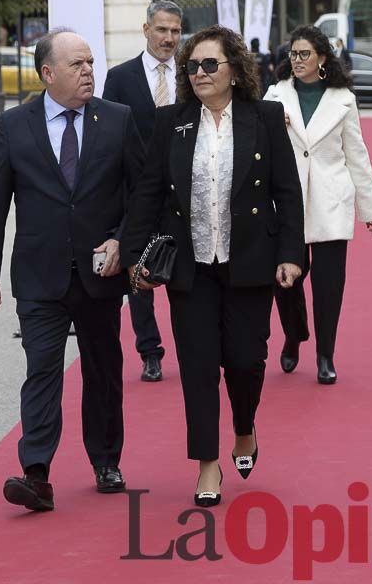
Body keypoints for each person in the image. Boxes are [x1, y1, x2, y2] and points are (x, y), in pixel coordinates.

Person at [123, 25, 304, 507]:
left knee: (245, 361)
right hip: (191, 267)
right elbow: (147, 194)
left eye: (209, 65)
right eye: (192, 66)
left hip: (249, 263)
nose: (199, 73)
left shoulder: (265, 117)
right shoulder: (172, 122)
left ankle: (244, 427)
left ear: (233, 69)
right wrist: (134, 255)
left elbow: (287, 191)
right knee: (199, 367)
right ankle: (207, 464)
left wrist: (290, 254)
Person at [0, 29, 145, 513]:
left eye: (90, 63)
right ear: (47, 74)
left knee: (103, 369)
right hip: (39, 274)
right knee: (42, 369)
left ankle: (106, 461)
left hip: (100, 273)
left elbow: (140, 193)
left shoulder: (117, 119)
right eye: (78, 65)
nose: (89, 71)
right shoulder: (14, 125)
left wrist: (122, 240)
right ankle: (36, 473)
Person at [264, 25, 372, 384]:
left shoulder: (343, 98)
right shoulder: (273, 95)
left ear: (322, 59)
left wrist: (371, 209)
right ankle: (294, 334)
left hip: (331, 198)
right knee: (284, 282)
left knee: (329, 286)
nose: (297, 61)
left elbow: (356, 154)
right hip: (286, 201)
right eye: (293, 54)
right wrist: (272, 122)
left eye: (304, 54)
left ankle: (325, 355)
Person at [102, 0, 181, 382]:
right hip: (137, 194)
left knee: (188, 274)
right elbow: (110, 138)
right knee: (139, 277)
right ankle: (149, 351)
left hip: (185, 193)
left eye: (175, 31)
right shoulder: (120, 78)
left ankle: (194, 345)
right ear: (146, 29)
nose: (169, 38)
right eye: (162, 30)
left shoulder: (194, 73)